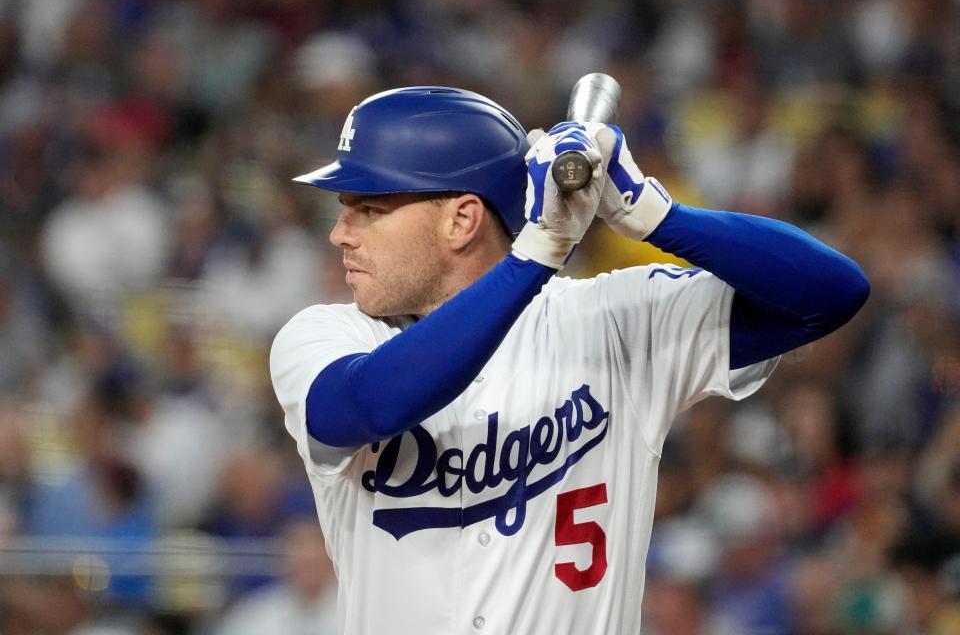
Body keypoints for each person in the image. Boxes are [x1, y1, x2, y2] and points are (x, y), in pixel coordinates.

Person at [269, 86, 869, 634]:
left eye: (367, 209)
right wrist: (536, 253)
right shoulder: (325, 336)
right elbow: (369, 404)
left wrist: (659, 218)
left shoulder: (610, 321)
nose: (340, 233)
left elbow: (829, 294)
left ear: (461, 219)